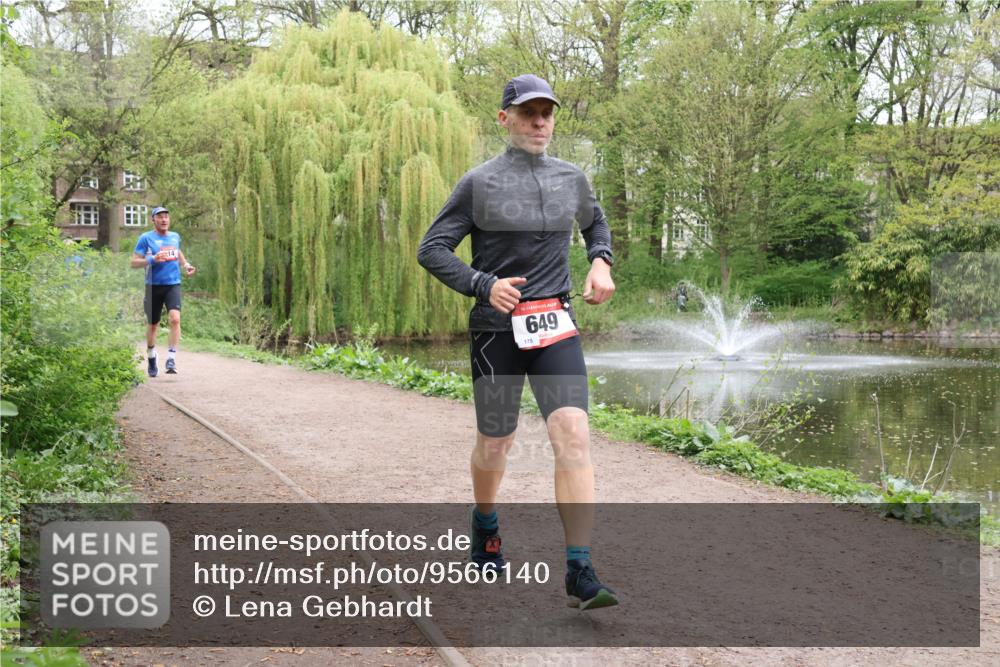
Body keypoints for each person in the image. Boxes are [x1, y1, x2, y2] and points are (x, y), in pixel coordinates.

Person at [417, 74, 618, 611]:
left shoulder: (571, 178)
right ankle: (484, 521)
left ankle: (580, 569)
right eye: (528, 112)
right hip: (495, 333)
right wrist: (485, 285)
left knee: (573, 432)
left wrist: (601, 262)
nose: (539, 122)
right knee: (496, 442)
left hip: (554, 324)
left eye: (547, 113)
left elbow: (597, 226)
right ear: (504, 119)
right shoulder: (478, 183)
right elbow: (432, 249)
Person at [130, 206, 196, 377]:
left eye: (166, 216)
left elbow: (177, 250)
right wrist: (152, 259)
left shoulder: (175, 236)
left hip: (172, 284)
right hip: (153, 286)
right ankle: (151, 356)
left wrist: (186, 264)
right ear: (154, 220)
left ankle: (171, 358)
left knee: (175, 319)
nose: (164, 219)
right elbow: (134, 262)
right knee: (153, 325)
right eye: (160, 217)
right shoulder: (145, 238)